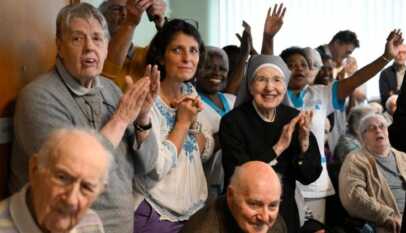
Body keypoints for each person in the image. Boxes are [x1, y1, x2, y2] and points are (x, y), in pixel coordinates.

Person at [10, 3, 160, 233]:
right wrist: (120, 119)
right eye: (77, 39)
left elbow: (147, 165)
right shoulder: (38, 97)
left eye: (98, 39)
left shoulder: (111, 89)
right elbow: (77, 172)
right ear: (59, 46)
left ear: (107, 47)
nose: (90, 48)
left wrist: (142, 118)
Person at [280, 30, 403, 223]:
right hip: (280, 182)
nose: (299, 69)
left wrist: (386, 57)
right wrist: (268, 39)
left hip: (314, 184)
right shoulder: (273, 97)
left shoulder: (320, 93)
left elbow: (355, 80)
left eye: (304, 65)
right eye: (291, 65)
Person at [220, 55, 322, 233]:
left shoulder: (294, 118)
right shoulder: (232, 122)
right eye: (261, 79)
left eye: (277, 80)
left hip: (285, 211)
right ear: (250, 86)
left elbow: (309, 176)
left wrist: (304, 144)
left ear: (284, 86)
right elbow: (237, 175)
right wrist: (278, 148)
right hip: (247, 215)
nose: (270, 87)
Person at [132, 19, 214, 233]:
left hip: (194, 214)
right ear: (161, 55)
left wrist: (193, 126)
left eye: (194, 50)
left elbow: (204, 150)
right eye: (178, 50)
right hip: (154, 214)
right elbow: (156, 167)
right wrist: (183, 123)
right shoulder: (145, 99)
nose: (188, 58)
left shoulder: (190, 91)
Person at [0, 128, 112, 233]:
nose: (71, 200)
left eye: (86, 187)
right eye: (62, 178)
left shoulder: (90, 224)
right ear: (34, 169)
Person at [339, 113, 405, 233]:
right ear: (363, 137)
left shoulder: (403, 157)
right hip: (388, 225)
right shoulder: (355, 159)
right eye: (371, 128)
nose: (378, 130)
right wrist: (384, 216)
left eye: (382, 126)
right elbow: (353, 197)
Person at [180, 161, 287, 233]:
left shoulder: (275, 223)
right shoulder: (204, 229)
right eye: (254, 204)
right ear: (230, 195)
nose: (264, 217)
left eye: (273, 205)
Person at [196, 46, 235, 197]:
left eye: (222, 68)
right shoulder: (191, 102)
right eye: (208, 67)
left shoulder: (233, 101)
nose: (216, 72)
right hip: (207, 184)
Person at [100, 0, 167, 89]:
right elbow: (107, 73)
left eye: (128, 9)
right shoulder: (95, 55)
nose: (125, 14)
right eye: (116, 9)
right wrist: (130, 23)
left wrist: (162, 24)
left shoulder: (143, 55)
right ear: (101, 19)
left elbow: (173, 62)